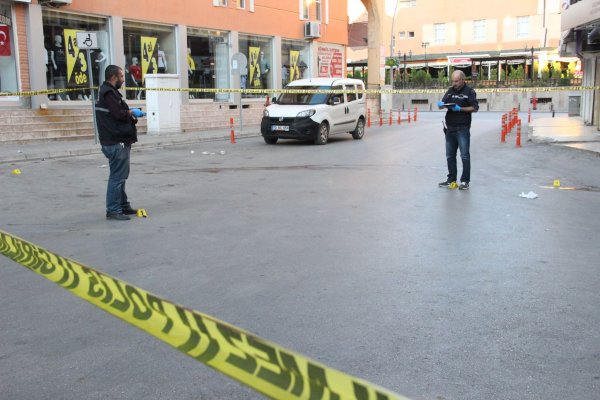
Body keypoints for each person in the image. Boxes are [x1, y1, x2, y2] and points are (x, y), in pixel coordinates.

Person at [95, 65, 145, 220]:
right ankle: (113, 210)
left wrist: (130, 113)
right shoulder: (109, 93)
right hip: (116, 141)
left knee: (120, 176)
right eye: (121, 76)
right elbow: (118, 114)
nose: (123, 80)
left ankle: (123, 205)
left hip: (115, 140)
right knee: (117, 178)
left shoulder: (107, 92)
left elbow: (116, 112)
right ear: (113, 77)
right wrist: (130, 112)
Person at [437, 70, 478, 190]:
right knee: (450, 155)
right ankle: (451, 179)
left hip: (462, 128)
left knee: (464, 155)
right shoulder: (450, 91)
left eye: (456, 81)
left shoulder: (469, 92)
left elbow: (475, 108)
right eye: (453, 81)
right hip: (450, 128)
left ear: (463, 80)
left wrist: (460, 109)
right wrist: (441, 105)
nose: (454, 83)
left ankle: (465, 181)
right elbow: (443, 103)